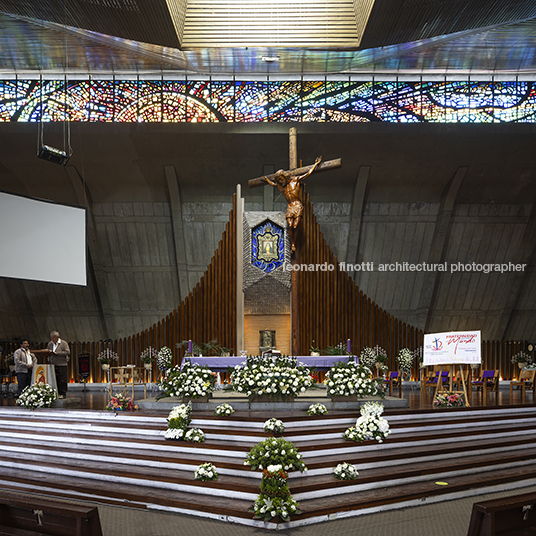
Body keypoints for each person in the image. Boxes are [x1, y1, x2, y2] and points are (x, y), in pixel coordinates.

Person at [263, 156, 322, 253]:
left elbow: (307, 173)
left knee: (295, 226)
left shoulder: (295, 181)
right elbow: (274, 185)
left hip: (297, 205)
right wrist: (267, 180)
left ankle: (294, 243)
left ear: (285, 177)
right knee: (290, 225)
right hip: (290, 206)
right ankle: (293, 244)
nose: (281, 182)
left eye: (282, 179)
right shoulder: (283, 188)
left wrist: (315, 164)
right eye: (279, 181)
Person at [47, 330, 70, 398]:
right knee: (54, 379)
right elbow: (48, 351)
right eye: (51, 337)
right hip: (52, 364)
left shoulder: (63, 343)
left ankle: (62, 393)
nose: (52, 339)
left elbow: (67, 352)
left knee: (62, 379)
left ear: (58, 337)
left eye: (53, 337)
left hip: (62, 364)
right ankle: (55, 393)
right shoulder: (50, 344)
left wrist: (57, 353)